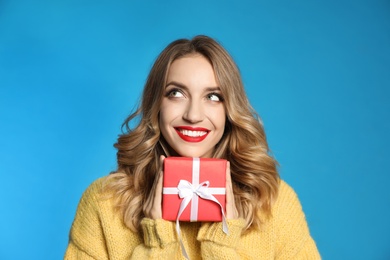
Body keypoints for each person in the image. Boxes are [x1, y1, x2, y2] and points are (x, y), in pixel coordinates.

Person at [65, 35, 320, 259]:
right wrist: (157, 245)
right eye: (176, 93)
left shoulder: (274, 203)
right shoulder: (104, 202)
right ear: (157, 104)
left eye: (213, 97)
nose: (194, 115)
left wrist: (221, 244)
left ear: (229, 110)